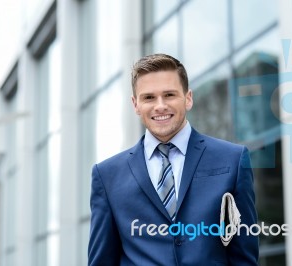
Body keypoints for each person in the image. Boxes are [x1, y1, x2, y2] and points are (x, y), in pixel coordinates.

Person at [88, 53, 258, 265]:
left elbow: (244, 257)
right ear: (135, 104)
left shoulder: (233, 159)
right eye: (149, 97)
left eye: (169, 95)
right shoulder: (107, 176)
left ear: (188, 98)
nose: (160, 106)